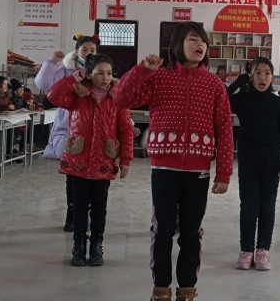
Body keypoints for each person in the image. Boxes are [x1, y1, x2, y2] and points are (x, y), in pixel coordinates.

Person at [112, 22, 234, 301]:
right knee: (163, 230)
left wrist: (224, 173)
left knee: (191, 232)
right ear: (178, 44)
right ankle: (161, 289)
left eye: (202, 41)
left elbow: (224, 128)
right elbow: (120, 98)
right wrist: (142, 70)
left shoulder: (214, 85)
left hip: (198, 171)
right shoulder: (159, 78)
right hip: (163, 169)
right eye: (193, 39)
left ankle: (187, 289)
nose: (200, 45)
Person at [47, 53, 134, 267]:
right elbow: (53, 96)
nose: (105, 78)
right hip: (78, 159)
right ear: (88, 74)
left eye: (109, 73)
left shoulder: (118, 98)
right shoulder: (77, 94)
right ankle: (78, 246)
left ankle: (96, 245)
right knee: (78, 207)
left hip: (103, 160)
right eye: (99, 73)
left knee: (99, 207)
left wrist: (126, 158)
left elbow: (126, 129)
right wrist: (71, 79)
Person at [229, 57, 280, 271]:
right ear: (251, 76)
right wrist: (239, 81)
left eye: (267, 73)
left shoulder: (277, 102)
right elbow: (222, 99)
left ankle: (263, 249)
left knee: (267, 204)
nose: (262, 77)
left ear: (272, 77)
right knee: (248, 204)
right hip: (248, 156)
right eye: (257, 73)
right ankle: (246, 250)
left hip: (271, 157)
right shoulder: (242, 99)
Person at [35, 34, 99, 232]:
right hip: (71, 127)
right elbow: (44, 85)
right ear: (76, 51)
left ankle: (89, 213)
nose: (89, 53)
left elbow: (112, 101)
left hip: (95, 129)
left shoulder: (100, 72)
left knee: (94, 176)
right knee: (73, 174)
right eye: (84, 50)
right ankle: (73, 215)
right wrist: (52, 63)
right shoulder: (65, 70)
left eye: (93, 50)